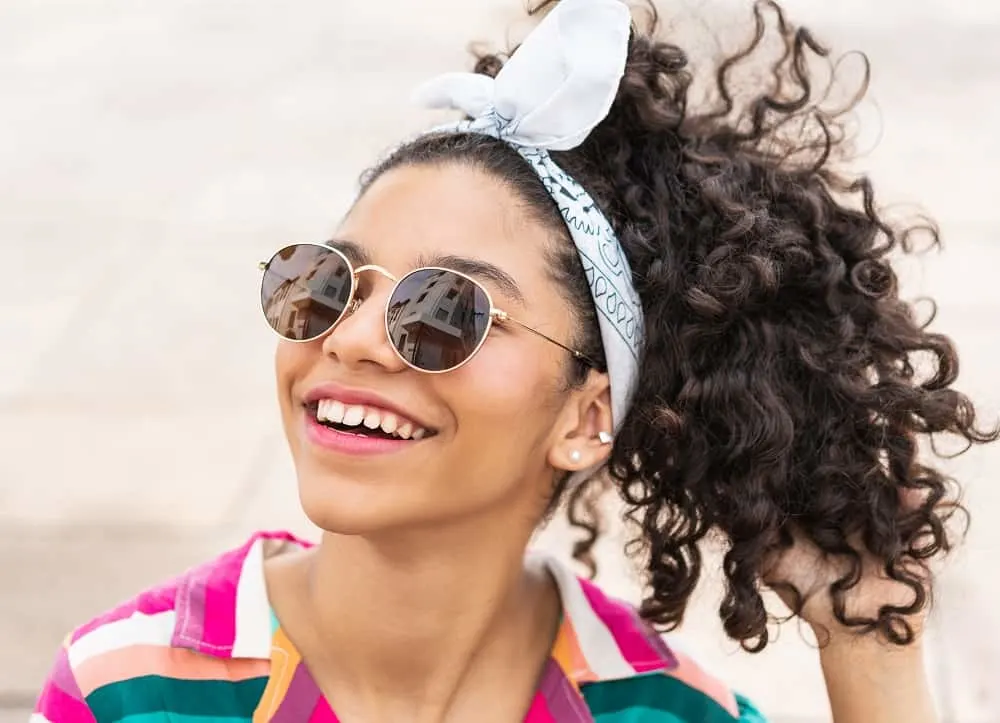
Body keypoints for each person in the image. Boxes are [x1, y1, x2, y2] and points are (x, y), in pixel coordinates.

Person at [32, 0, 996, 721]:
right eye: (326, 283)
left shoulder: (663, 713)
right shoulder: (132, 684)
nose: (353, 337)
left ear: (586, 415)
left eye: (447, 308)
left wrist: (868, 646)